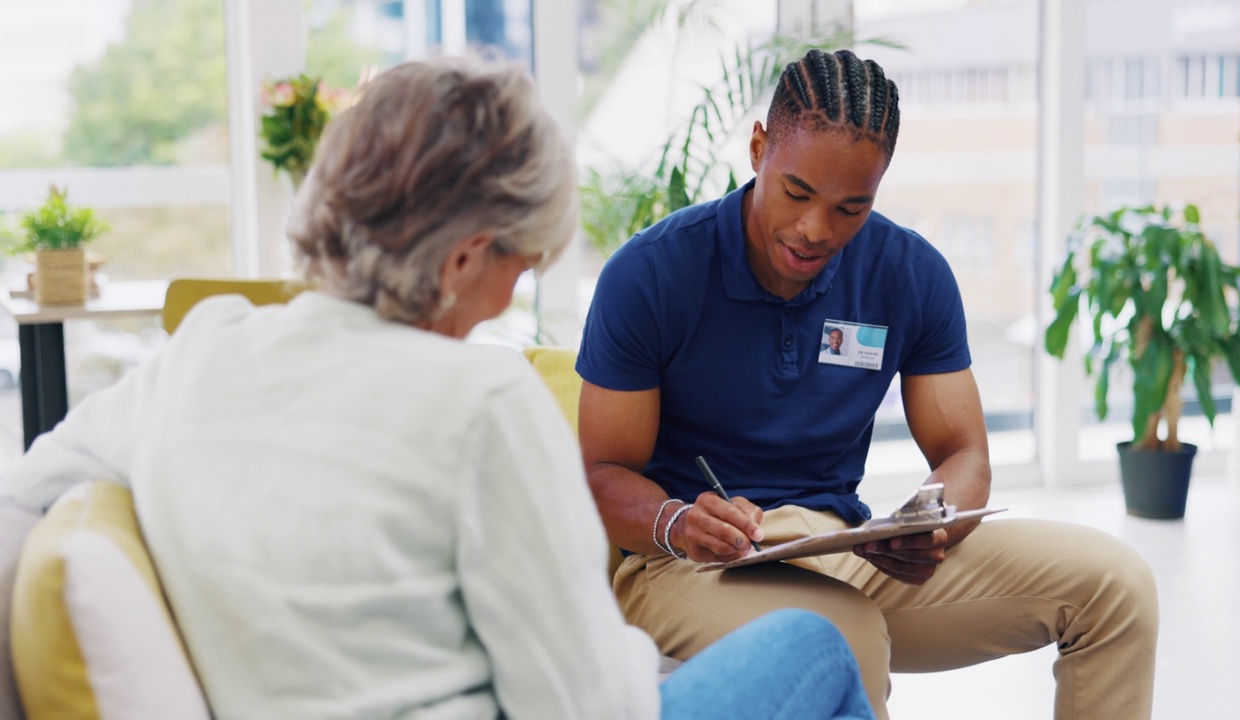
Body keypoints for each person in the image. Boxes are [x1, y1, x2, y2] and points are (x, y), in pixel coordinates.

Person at [0, 57, 874, 720]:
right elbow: (582, 707)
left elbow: (20, 495)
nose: (507, 298)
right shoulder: (481, 406)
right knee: (814, 645)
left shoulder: (205, 349)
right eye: (520, 266)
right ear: (464, 257)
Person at [576, 48, 1159, 720]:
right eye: (797, 192)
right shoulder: (651, 274)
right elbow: (599, 474)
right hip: (689, 564)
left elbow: (965, 453)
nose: (814, 230)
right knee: (840, 637)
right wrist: (677, 523)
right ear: (759, 148)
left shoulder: (909, 273)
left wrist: (931, 520)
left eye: (850, 207)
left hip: (842, 543)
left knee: (1118, 587)